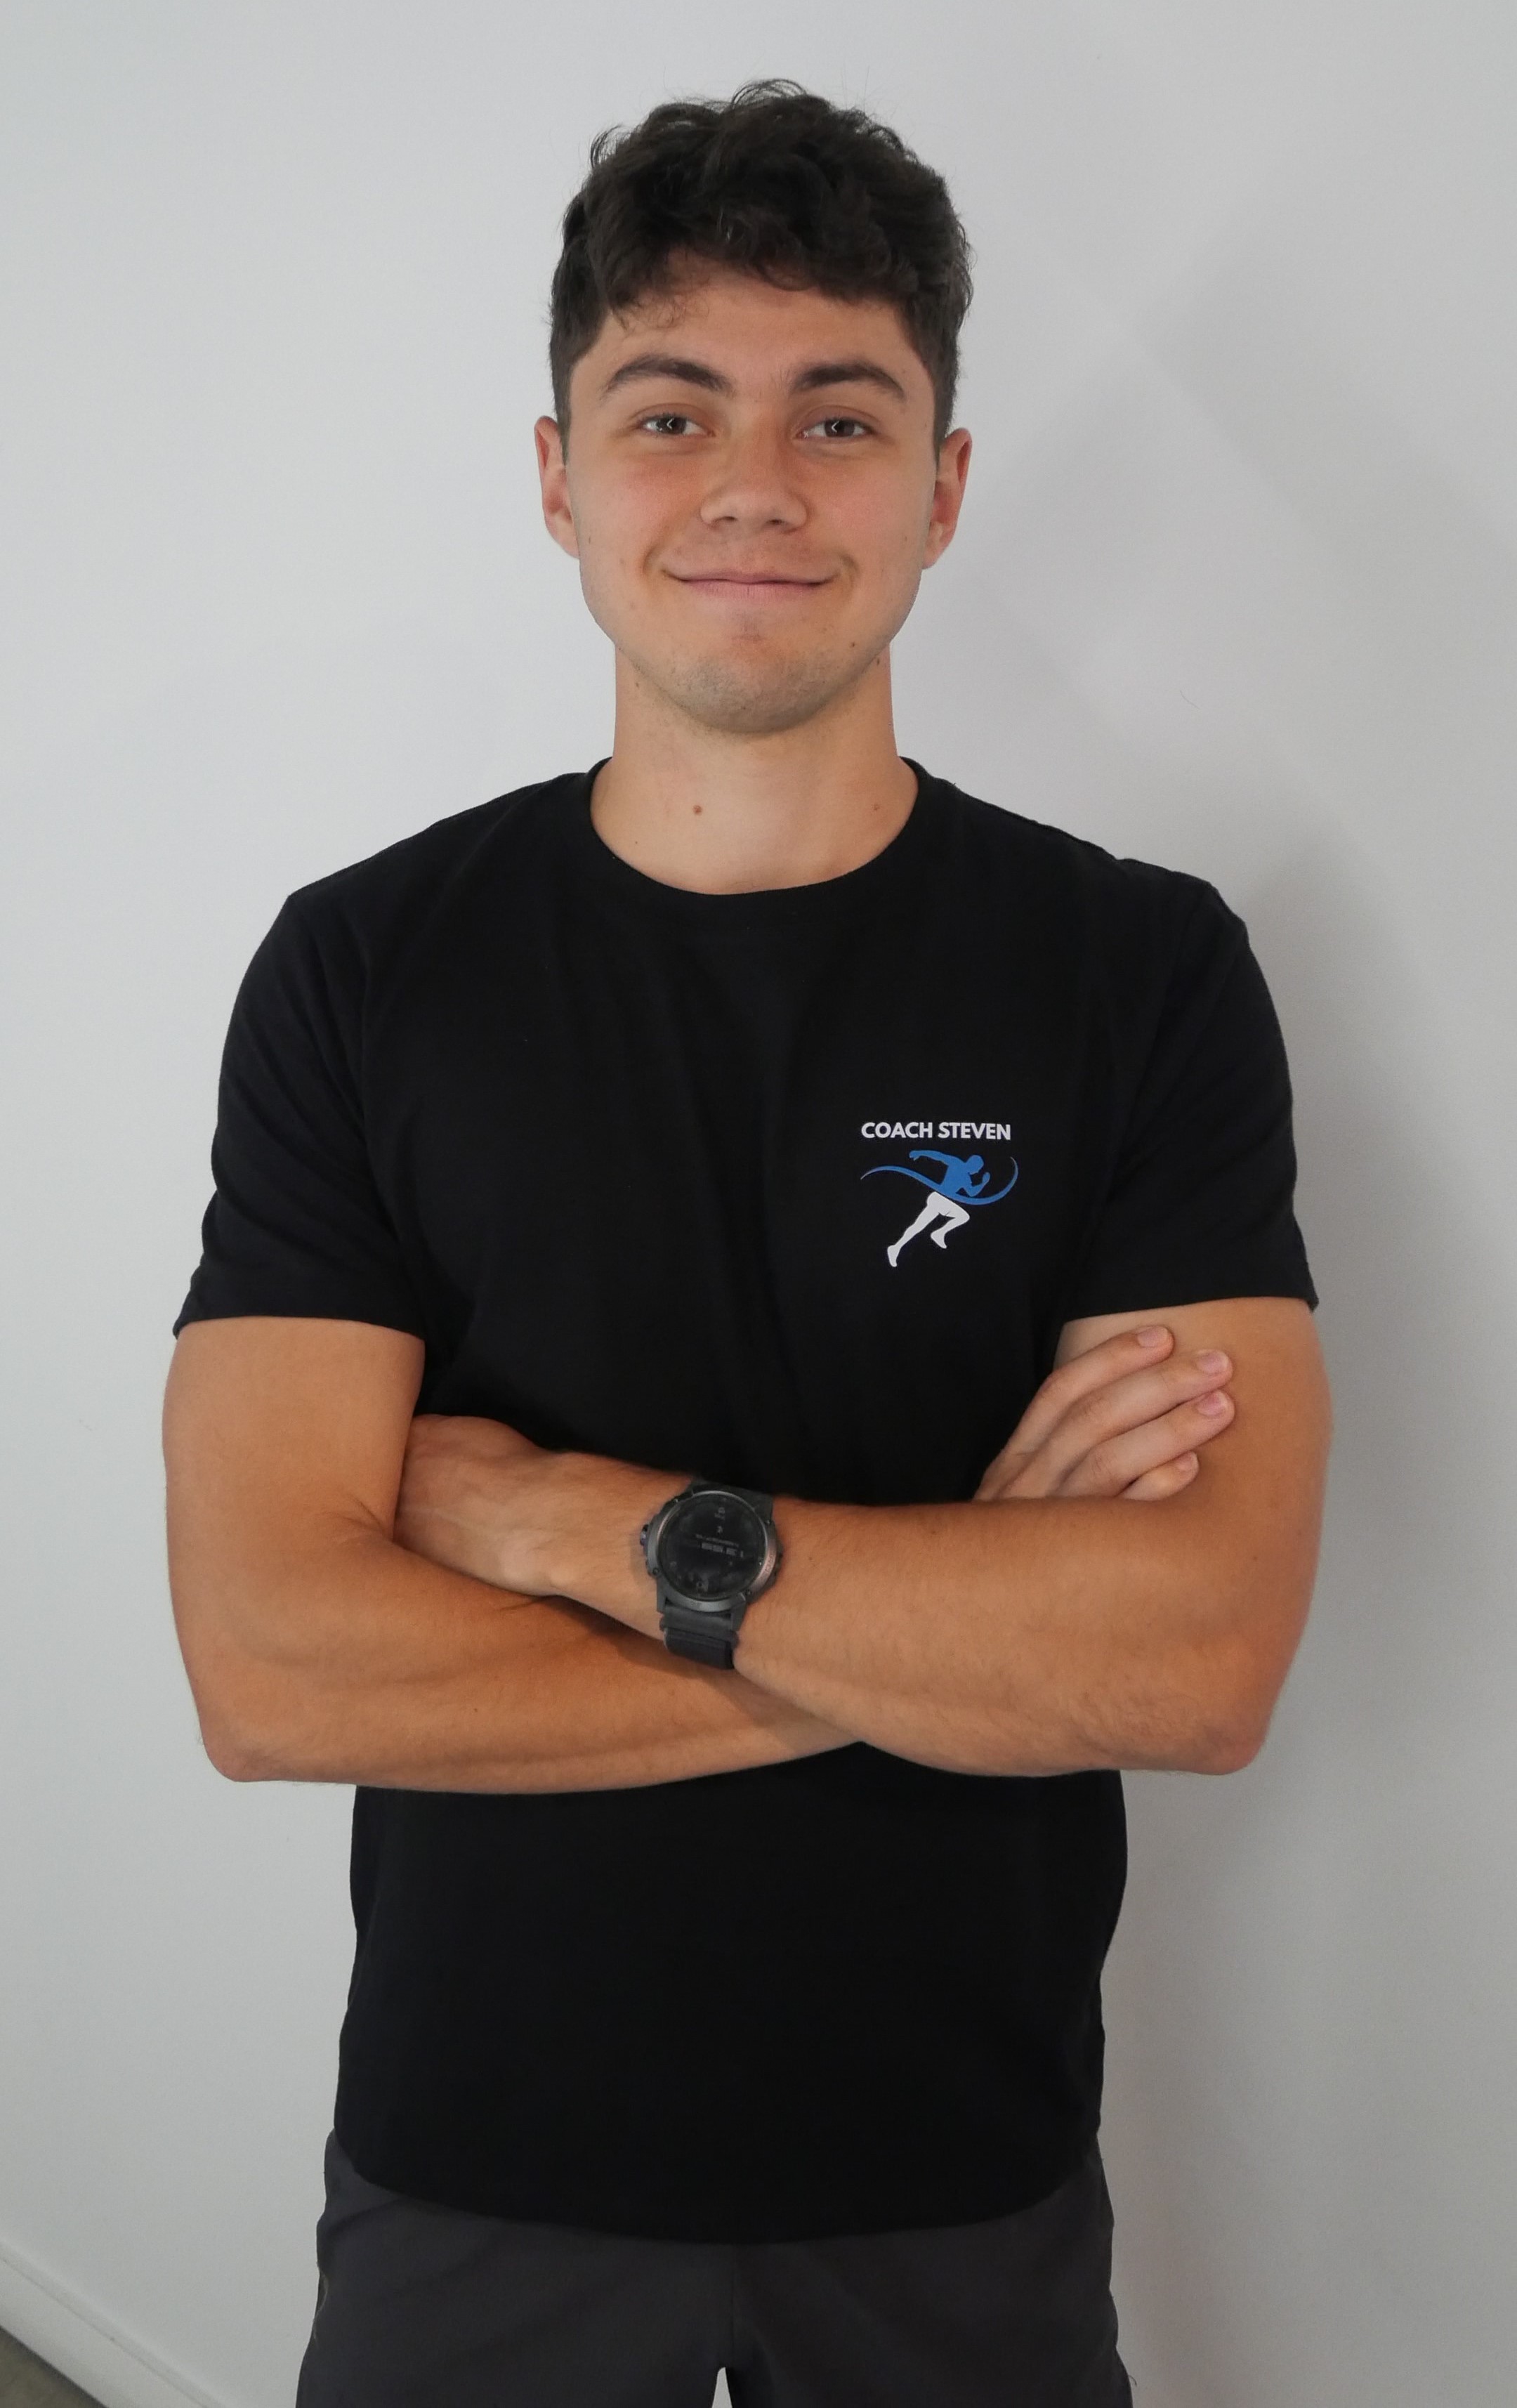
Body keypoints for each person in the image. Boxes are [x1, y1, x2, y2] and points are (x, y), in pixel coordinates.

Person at [162, 79, 1330, 2407]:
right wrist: (960, 1623)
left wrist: (556, 1521)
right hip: (478, 2160)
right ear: (559, 476)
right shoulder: (365, 969)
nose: (756, 483)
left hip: (962, 2170)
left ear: (945, 487)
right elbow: (274, 1666)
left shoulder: (1142, 971)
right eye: (671, 407)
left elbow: (1195, 1661)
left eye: (843, 414)